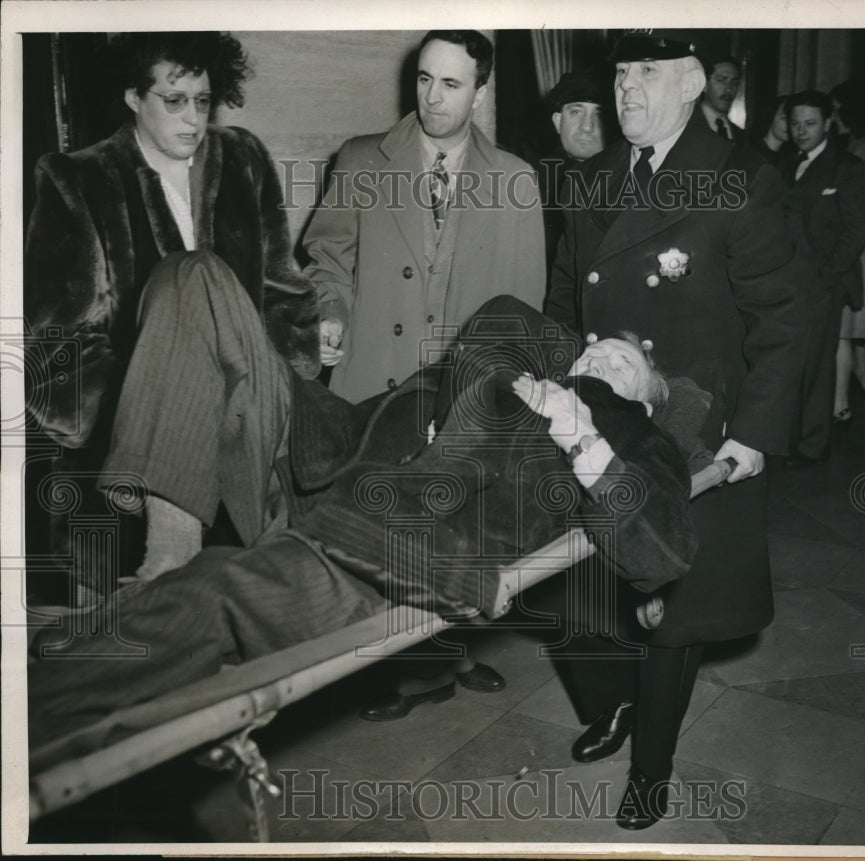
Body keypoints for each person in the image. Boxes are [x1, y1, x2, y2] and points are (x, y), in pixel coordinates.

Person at [28, 273, 701, 747]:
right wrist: (472, 408)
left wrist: (580, 435)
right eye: (593, 349)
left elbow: (663, 553)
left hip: (394, 542)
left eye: (621, 363)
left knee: (212, 594)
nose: (598, 357)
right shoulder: (520, 369)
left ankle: (32, 705)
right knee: (195, 279)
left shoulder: (633, 437)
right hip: (331, 453)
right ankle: (165, 550)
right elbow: (505, 329)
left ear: (646, 404)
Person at [545, 30, 806, 829]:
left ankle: (650, 768)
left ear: (692, 82)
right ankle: (612, 702)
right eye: (622, 70)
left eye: (649, 71)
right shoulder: (592, 178)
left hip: (691, 425)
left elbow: (784, 318)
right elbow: (563, 297)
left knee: (673, 606)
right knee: (576, 585)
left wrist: (753, 432)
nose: (627, 87)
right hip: (600, 415)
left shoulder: (740, 179)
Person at [24, 32, 320, 589]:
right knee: (190, 275)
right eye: (174, 100)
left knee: (193, 271)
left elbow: (286, 296)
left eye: (203, 101)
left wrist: (281, 375)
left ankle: (172, 549)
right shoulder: (78, 179)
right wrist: (166, 396)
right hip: (141, 442)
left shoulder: (243, 158)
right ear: (134, 97)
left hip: (256, 407)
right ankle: (215, 548)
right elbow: (60, 348)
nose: (193, 119)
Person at [302, 29, 546, 405]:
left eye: (450, 84)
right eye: (424, 78)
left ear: (479, 95)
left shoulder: (516, 179)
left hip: (465, 402)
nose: (432, 97)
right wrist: (329, 315)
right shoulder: (360, 159)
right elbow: (328, 262)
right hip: (369, 391)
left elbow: (524, 310)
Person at [780, 89, 865, 466]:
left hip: (822, 284)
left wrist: (824, 278)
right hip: (784, 282)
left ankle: (813, 445)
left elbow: (857, 232)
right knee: (789, 362)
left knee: (817, 366)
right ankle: (787, 437)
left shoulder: (848, 168)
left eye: (810, 123)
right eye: (795, 123)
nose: (801, 131)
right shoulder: (786, 162)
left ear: (828, 124)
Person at [829, 80, 865, 426]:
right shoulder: (861, 144)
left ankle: (841, 405)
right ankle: (858, 391)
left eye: (837, 111)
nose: (833, 117)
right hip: (856, 247)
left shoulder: (862, 151)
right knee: (850, 333)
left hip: (851, 249)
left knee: (843, 332)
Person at [537, 70, 609, 272]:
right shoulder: (529, 182)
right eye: (576, 112)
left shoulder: (630, 180)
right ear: (557, 121)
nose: (587, 126)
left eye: (599, 114)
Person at [696, 54, 745, 143]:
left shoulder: (741, 136)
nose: (729, 89)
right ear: (704, 84)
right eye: (721, 80)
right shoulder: (685, 126)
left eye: (734, 82)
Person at [751, 94, 792, 165]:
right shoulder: (753, 152)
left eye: (793, 119)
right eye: (784, 118)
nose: (790, 124)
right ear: (771, 117)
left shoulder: (789, 158)